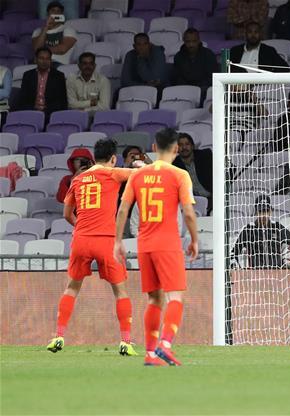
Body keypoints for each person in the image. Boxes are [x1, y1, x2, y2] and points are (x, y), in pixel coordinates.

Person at [115, 128, 199, 366]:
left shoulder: (138, 175)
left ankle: (150, 354)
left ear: (154, 147)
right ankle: (166, 344)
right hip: (167, 243)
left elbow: (123, 210)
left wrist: (117, 241)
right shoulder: (179, 175)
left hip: (144, 244)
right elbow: (188, 213)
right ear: (176, 149)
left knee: (154, 299)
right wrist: (194, 240)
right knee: (175, 297)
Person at [46, 139, 138, 357]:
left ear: (95, 158)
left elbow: (66, 214)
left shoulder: (78, 179)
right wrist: (140, 165)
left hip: (81, 240)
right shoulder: (113, 173)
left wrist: (82, 227)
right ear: (113, 158)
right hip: (106, 241)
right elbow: (140, 175)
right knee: (120, 291)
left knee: (72, 288)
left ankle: (58, 336)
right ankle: (125, 342)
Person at [232, 195, 290, 268]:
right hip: (256, 274)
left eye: (266, 211)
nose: (264, 215)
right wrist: (236, 266)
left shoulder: (277, 227)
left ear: (270, 211)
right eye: (261, 211)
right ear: (256, 212)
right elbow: (234, 252)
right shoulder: (248, 230)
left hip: (277, 273)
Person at [16, 47, 67, 116]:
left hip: (51, 112)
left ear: (51, 60)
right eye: (41, 58)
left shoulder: (58, 76)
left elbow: (62, 100)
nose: (44, 61)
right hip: (31, 110)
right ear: (35, 60)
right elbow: (23, 98)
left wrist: (46, 110)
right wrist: (33, 108)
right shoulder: (28, 75)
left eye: (47, 59)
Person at [172, 28, 218, 98]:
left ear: (199, 41)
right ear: (184, 41)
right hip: (185, 89)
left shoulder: (208, 54)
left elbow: (212, 77)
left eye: (194, 41)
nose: (191, 45)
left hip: (203, 90)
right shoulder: (178, 56)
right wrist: (188, 88)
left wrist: (196, 89)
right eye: (188, 41)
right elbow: (177, 78)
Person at [172, 133, 213, 207]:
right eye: (180, 145)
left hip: (213, 198)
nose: (184, 147)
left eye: (187, 144)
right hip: (194, 202)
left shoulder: (205, 156)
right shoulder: (174, 164)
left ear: (192, 146)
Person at [66, 52, 110, 117]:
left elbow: (104, 107)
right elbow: (71, 104)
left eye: (91, 63)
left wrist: (84, 110)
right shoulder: (71, 79)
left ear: (94, 66)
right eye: (85, 63)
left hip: (96, 117)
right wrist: (92, 102)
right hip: (76, 117)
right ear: (79, 66)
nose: (88, 66)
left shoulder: (103, 80)